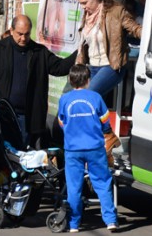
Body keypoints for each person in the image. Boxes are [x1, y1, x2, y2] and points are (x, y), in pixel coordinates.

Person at [0, 15, 77, 149]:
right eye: (19, 34)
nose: (23, 38)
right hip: (1, 114)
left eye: (27, 34)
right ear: (11, 30)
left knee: (20, 157)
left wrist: (79, 52)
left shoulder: (38, 52)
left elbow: (60, 67)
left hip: (26, 117)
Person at [58, 65, 118, 233]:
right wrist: (105, 132)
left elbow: (62, 122)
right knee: (102, 183)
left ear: (70, 80)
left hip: (72, 150)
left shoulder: (65, 99)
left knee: (74, 187)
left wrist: (70, 131)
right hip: (95, 148)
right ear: (88, 80)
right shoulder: (96, 97)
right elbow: (105, 121)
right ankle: (111, 221)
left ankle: (74, 224)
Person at [74, 0, 142, 96]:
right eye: (80, 3)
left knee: (88, 95)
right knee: (88, 101)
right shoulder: (88, 16)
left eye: (85, 3)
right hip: (92, 66)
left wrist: (150, 36)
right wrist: (78, 65)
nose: (83, 7)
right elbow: (83, 44)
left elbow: (135, 28)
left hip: (111, 66)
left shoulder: (116, 11)